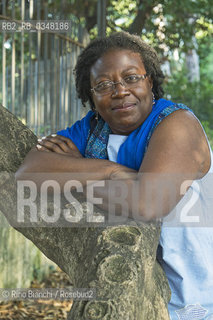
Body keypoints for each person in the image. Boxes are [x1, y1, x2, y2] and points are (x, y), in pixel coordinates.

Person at [16, 31, 213, 319]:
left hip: (200, 297)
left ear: (151, 81)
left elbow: (148, 203)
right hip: (143, 292)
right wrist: (113, 172)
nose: (120, 91)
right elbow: (28, 173)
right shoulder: (92, 129)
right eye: (104, 84)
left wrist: (74, 177)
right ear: (91, 95)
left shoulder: (176, 124)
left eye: (132, 77)